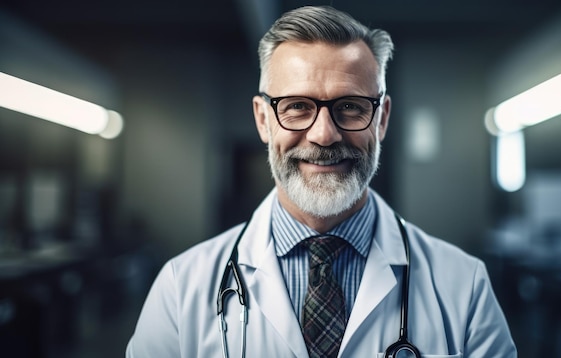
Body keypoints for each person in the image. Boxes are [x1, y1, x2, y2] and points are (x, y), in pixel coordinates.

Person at [126, 5, 516, 358]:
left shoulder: (464, 288)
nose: (324, 134)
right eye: (297, 107)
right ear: (263, 119)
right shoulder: (181, 289)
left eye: (350, 107)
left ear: (381, 119)